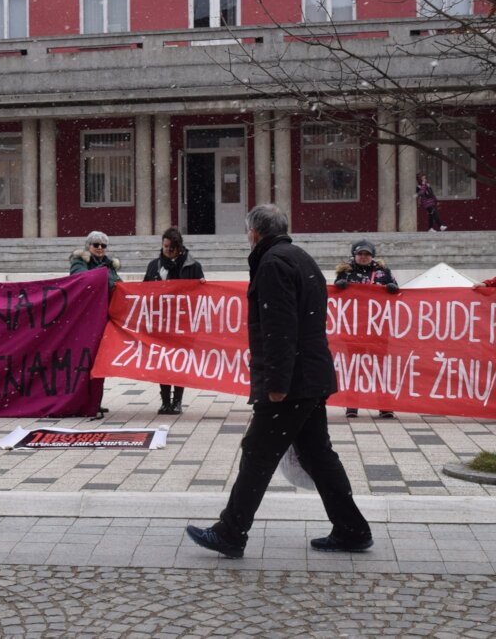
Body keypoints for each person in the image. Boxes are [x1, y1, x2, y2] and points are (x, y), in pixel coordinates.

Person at [185, 204, 372, 559]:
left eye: (248, 232)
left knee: (258, 452)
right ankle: (352, 529)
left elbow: (279, 329)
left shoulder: (272, 263)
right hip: (311, 375)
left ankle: (230, 532)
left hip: (292, 382)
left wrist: (276, 384)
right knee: (318, 455)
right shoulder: (301, 257)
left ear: (254, 232)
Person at [143, 227, 205, 415]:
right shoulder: (154, 266)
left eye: (172, 247)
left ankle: (177, 401)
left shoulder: (193, 266)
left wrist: (203, 285)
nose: (168, 251)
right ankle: (165, 401)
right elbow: (144, 291)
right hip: (161, 322)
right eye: (165, 246)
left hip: (183, 322)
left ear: (179, 248)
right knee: (163, 361)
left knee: (179, 361)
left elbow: (201, 295)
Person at [334, 239, 398, 419]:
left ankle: (385, 406)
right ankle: (352, 406)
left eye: (367, 254)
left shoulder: (383, 272)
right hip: (354, 328)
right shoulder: (345, 272)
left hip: (378, 328)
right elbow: (335, 294)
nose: (363, 257)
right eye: (360, 254)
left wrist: (393, 289)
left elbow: (397, 292)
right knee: (355, 367)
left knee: (380, 368)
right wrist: (339, 286)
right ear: (354, 255)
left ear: (372, 256)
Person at [69, 231, 120, 418]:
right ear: (88, 246)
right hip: (86, 320)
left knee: (99, 362)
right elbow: (82, 279)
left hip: (103, 318)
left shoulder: (109, 265)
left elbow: (117, 285)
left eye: (103, 245)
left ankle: (96, 401)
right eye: (95, 244)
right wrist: (103, 274)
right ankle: (83, 401)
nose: (99, 248)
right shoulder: (79, 261)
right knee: (85, 362)